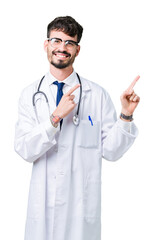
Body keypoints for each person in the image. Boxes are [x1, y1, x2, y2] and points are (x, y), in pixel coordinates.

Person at [14, 16, 140, 240]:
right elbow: (24, 149)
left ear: (77, 50)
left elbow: (110, 151)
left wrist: (126, 114)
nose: (62, 48)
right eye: (56, 40)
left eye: (69, 43)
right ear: (46, 44)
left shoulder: (97, 95)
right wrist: (55, 118)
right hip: (42, 211)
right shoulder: (30, 95)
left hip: (80, 212)